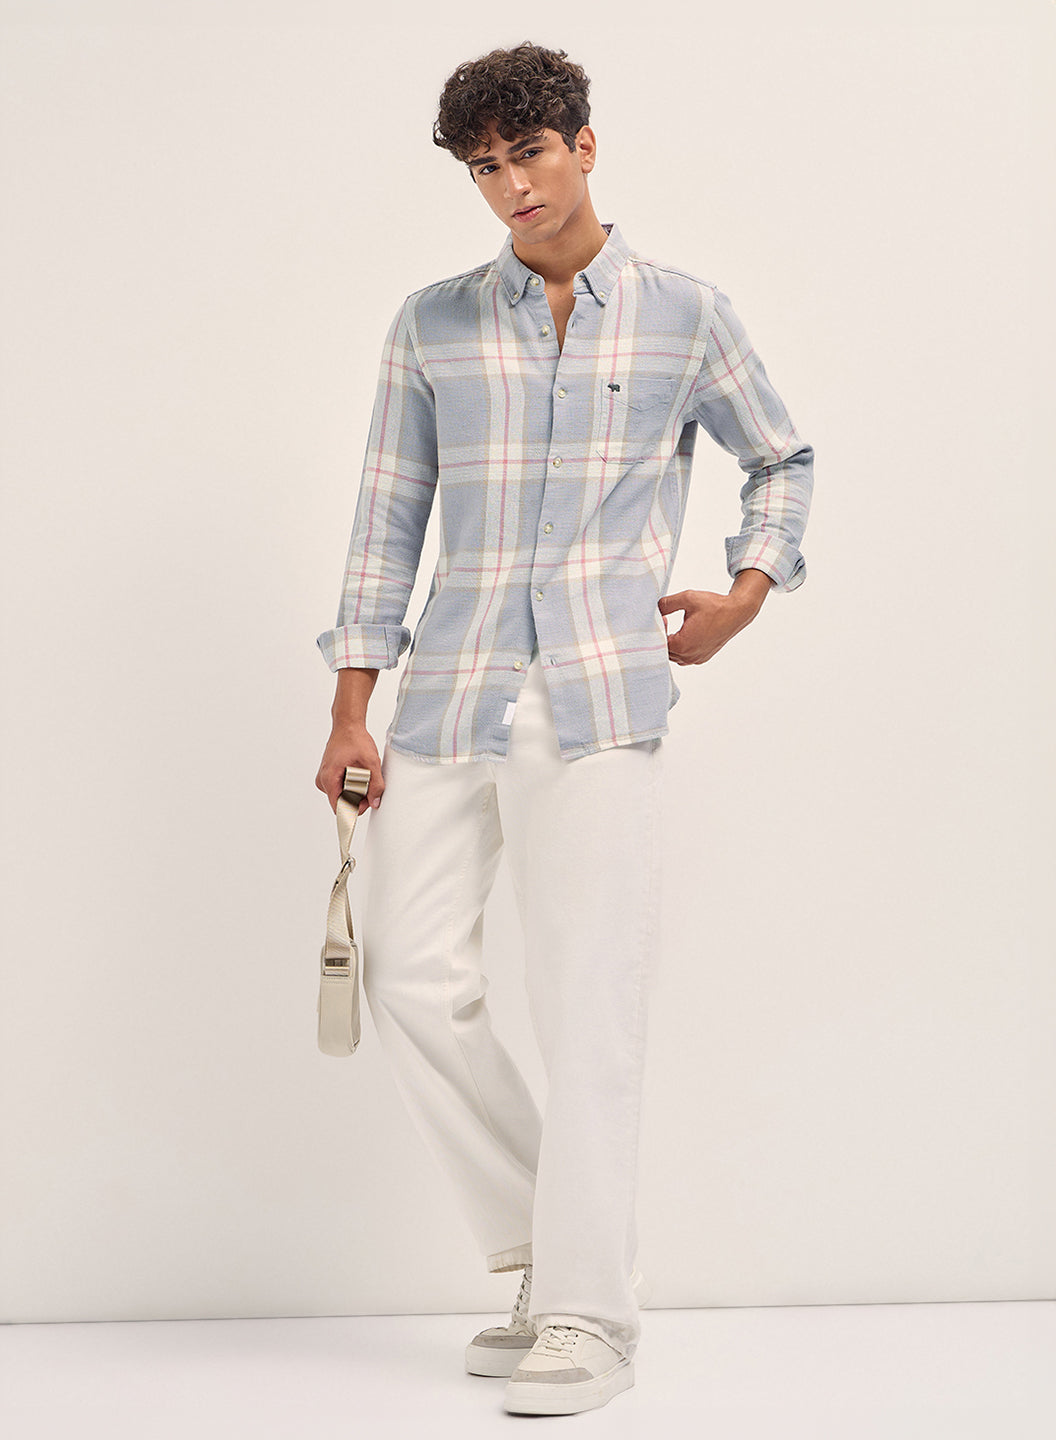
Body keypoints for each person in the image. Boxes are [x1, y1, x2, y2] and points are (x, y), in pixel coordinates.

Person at [314, 40, 814, 1416]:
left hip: (597, 697)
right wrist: (351, 706)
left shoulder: (684, 316)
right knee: (408, 974)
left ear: (583, 144)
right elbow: (385, 517)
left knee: (588, 1002)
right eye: (484, 167)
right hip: (448, 690)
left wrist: (747, 593)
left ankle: (589, 1314)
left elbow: (780, 457)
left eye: (528, 154)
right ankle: (558, 1256)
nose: (511, 187)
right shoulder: (431, 324)